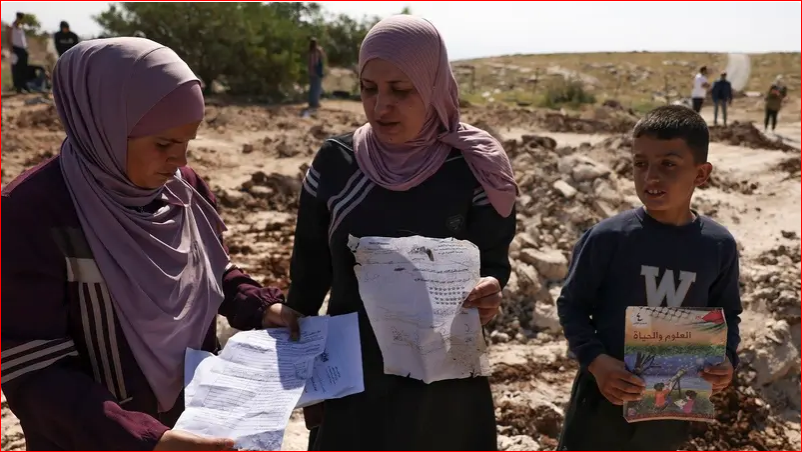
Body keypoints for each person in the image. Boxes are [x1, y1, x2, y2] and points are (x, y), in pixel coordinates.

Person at [1, 37, 301, 451]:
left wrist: (260, 306)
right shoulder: (34, 213)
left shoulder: (183, 190)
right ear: (103, 125)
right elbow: (34, 370)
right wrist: (144, 437)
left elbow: (212, 272)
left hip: (196, 420)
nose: (179, 161)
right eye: (163, 144)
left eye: (187, 143)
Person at [286, 15, 518, 450]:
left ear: (432, 85)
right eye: (368, 88)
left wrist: (490, 290)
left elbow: (493, 264)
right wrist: (296, 362)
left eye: (401, 90)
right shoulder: (337, 164)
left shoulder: (473, 169)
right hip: (354, 379)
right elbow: (309, 273)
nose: (381, 106)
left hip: (443, 382)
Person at [556, 105, 742, 451]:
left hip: (671, 407)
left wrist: (728, 358)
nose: (650, 177)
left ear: (701, 174)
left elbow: (727, 313)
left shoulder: (717, 246)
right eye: (640, 164)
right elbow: (572, 306)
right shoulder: (607, 238)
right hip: (601, 402)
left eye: (668, 164)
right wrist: (597, 363)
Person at [9, 12, 30, 93]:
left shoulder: (21, 27)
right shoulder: (11, 27)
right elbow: (9, 39)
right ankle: (18, 87)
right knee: (16, 69)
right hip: (15, 49)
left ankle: (24, 85)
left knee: (23, 68)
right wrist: (11, 51)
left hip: (23, 49)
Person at [307, 37, 325, 110]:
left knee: (312, 87)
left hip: (311, 70)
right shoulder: (318, 50)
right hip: (317, 70)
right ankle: (315, 102)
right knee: (317, 87)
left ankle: (311, 102)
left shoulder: (309, 51)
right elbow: (323, 57)